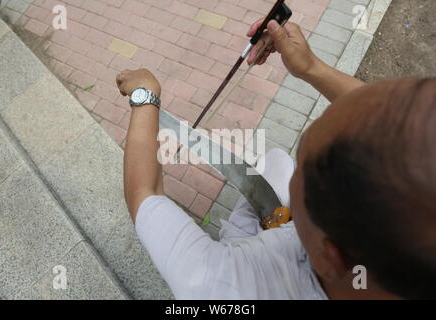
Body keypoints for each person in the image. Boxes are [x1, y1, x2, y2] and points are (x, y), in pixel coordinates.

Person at [116, 19, 436, 300]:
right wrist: (309, 66)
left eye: (306, 172)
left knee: (274, 169)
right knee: (278, 162)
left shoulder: (221, 284)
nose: (301, 171)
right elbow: (383, 122)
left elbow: (145, 193)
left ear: (330, 257)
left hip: (257, 257)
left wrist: (145, 95)